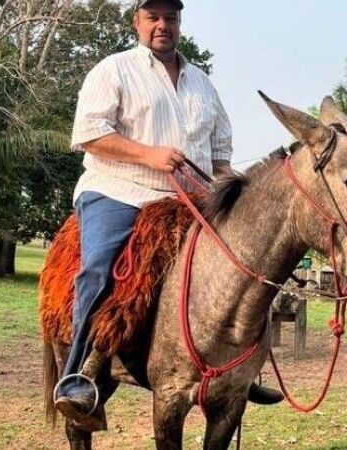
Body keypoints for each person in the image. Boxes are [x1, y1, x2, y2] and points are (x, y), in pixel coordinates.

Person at [55, 0, 282, 419]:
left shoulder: (202, 84)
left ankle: (241, 370)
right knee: (101, 268)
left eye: (170, 17)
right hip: (120, 190)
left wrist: (234, 190)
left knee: (248, 263)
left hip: (192, 199)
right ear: (137, 22)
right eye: (153, 17)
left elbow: (219, 157)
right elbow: (89, 134)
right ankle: (79, 376)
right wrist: (148, 155)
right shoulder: (114, 69)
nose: (162, 25)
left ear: (180, 23)